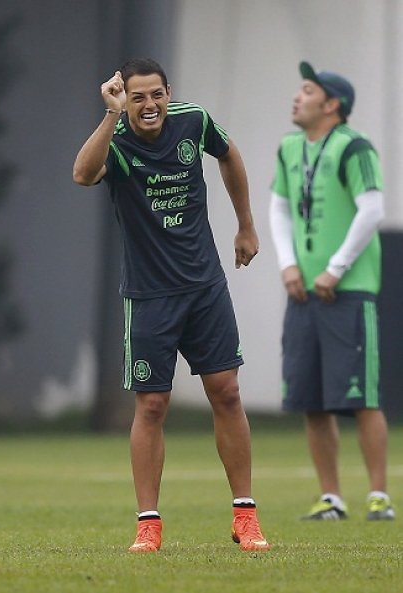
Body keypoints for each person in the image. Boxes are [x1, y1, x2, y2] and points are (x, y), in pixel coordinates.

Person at [72, 58, 269, 552]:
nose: (149, 105)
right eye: (137, 97)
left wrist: (245, 224)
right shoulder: (116, 141)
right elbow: (82, 174)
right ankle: (148, 525)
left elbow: (230, 154)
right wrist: (110, 114)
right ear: (125, 100)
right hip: (149, 296)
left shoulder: (193, 120)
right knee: (153, 404)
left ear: (168, 92)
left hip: (204, 287)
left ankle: (245, 517)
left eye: (155, 94)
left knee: (226, 392)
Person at [268, 62, 393, 521]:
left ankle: (379, 496)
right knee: (311, 399)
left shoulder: (354, 147)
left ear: (332, 104)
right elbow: (279, 207)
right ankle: (331, 498)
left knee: (361, 397)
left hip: (349, 291)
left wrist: (336, 269)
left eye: (307, 90)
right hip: (301, 293)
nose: (297, 97)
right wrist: (287, 265)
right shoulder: (288, 148)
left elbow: (372, 209)